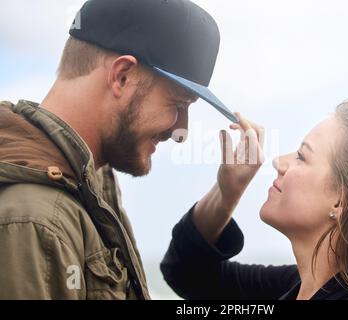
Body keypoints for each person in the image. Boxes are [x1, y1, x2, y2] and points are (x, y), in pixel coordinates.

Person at [0, 0, 237, 299]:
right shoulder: (37, 220)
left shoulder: (91, 183)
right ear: (122, 75)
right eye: (177, 104)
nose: (181, 132)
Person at [161, 99, 348, 300]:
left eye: (301, 156)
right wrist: (227, 194)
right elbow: (186, 272)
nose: (277, 162)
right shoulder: (298, 287)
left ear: (341, 202)